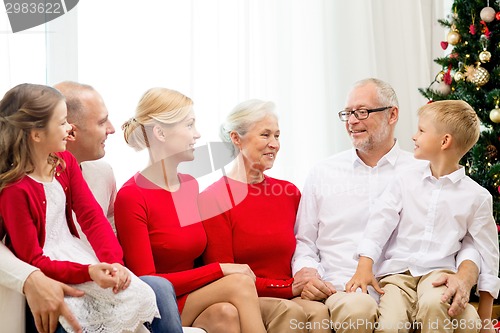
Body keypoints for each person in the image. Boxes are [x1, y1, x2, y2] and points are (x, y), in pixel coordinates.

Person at [291, 78, 482, 333]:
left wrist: (465, 277)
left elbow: (465, 233)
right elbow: (304, 241)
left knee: (466, 318)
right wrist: (308, 273)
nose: (352, 121)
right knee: (359, 309)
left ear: (392, 115)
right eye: (348, 113)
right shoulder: (323, 173)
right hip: (345, 287)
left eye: (362, 112)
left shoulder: (425, 169)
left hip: (412, 286)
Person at [0, 83, 158, 332]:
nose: (70, 128)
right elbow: (33, 258)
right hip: (55, 272)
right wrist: (89, 271)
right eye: (63, 122)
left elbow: (92, 217)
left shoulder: (65, 162)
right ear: (37, 134)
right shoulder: (14, 191)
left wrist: (114, 262)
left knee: (141, 294)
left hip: (78, 258)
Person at [114, 87, 267, 333]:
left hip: (191, 296)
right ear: (161, 133)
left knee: (224, 315)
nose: (197, 135)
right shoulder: (132, 196)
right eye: (189, 125)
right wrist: (220, 269)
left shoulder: (189, 184)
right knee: (239, 283)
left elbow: (196, 256)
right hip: (159, 303)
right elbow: (148, 282)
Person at [346, 100, 499, 333]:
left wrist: (486, 317)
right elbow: (381, 220)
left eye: (421, 130)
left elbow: (487, 253)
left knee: (434, 305)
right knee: (389, 326)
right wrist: (364, 265)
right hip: (397, 275)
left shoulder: (476, 197)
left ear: (444, 141)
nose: (413, 136)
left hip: (439, 275)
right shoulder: (404, 179)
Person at [55, 81, 183, 333]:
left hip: (103, 278)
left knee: (159, 287)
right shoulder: (32, 183)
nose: (113, 129)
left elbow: (106, 230)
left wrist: (115, 266)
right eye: (102, 122)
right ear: (69, 130)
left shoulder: (103, 173)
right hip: (65, 282)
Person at [199, 99, 330, 333]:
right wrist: (289, 289)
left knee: (319, 311)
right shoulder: (214, 199)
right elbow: (223, 278)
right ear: (236, 138)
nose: (274, 144)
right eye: (265, 135)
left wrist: (310, 278)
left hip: (289, 292)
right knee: (288, 311)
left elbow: (306, 248)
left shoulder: (289, 192)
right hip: (246, 298)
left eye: (277, 136)